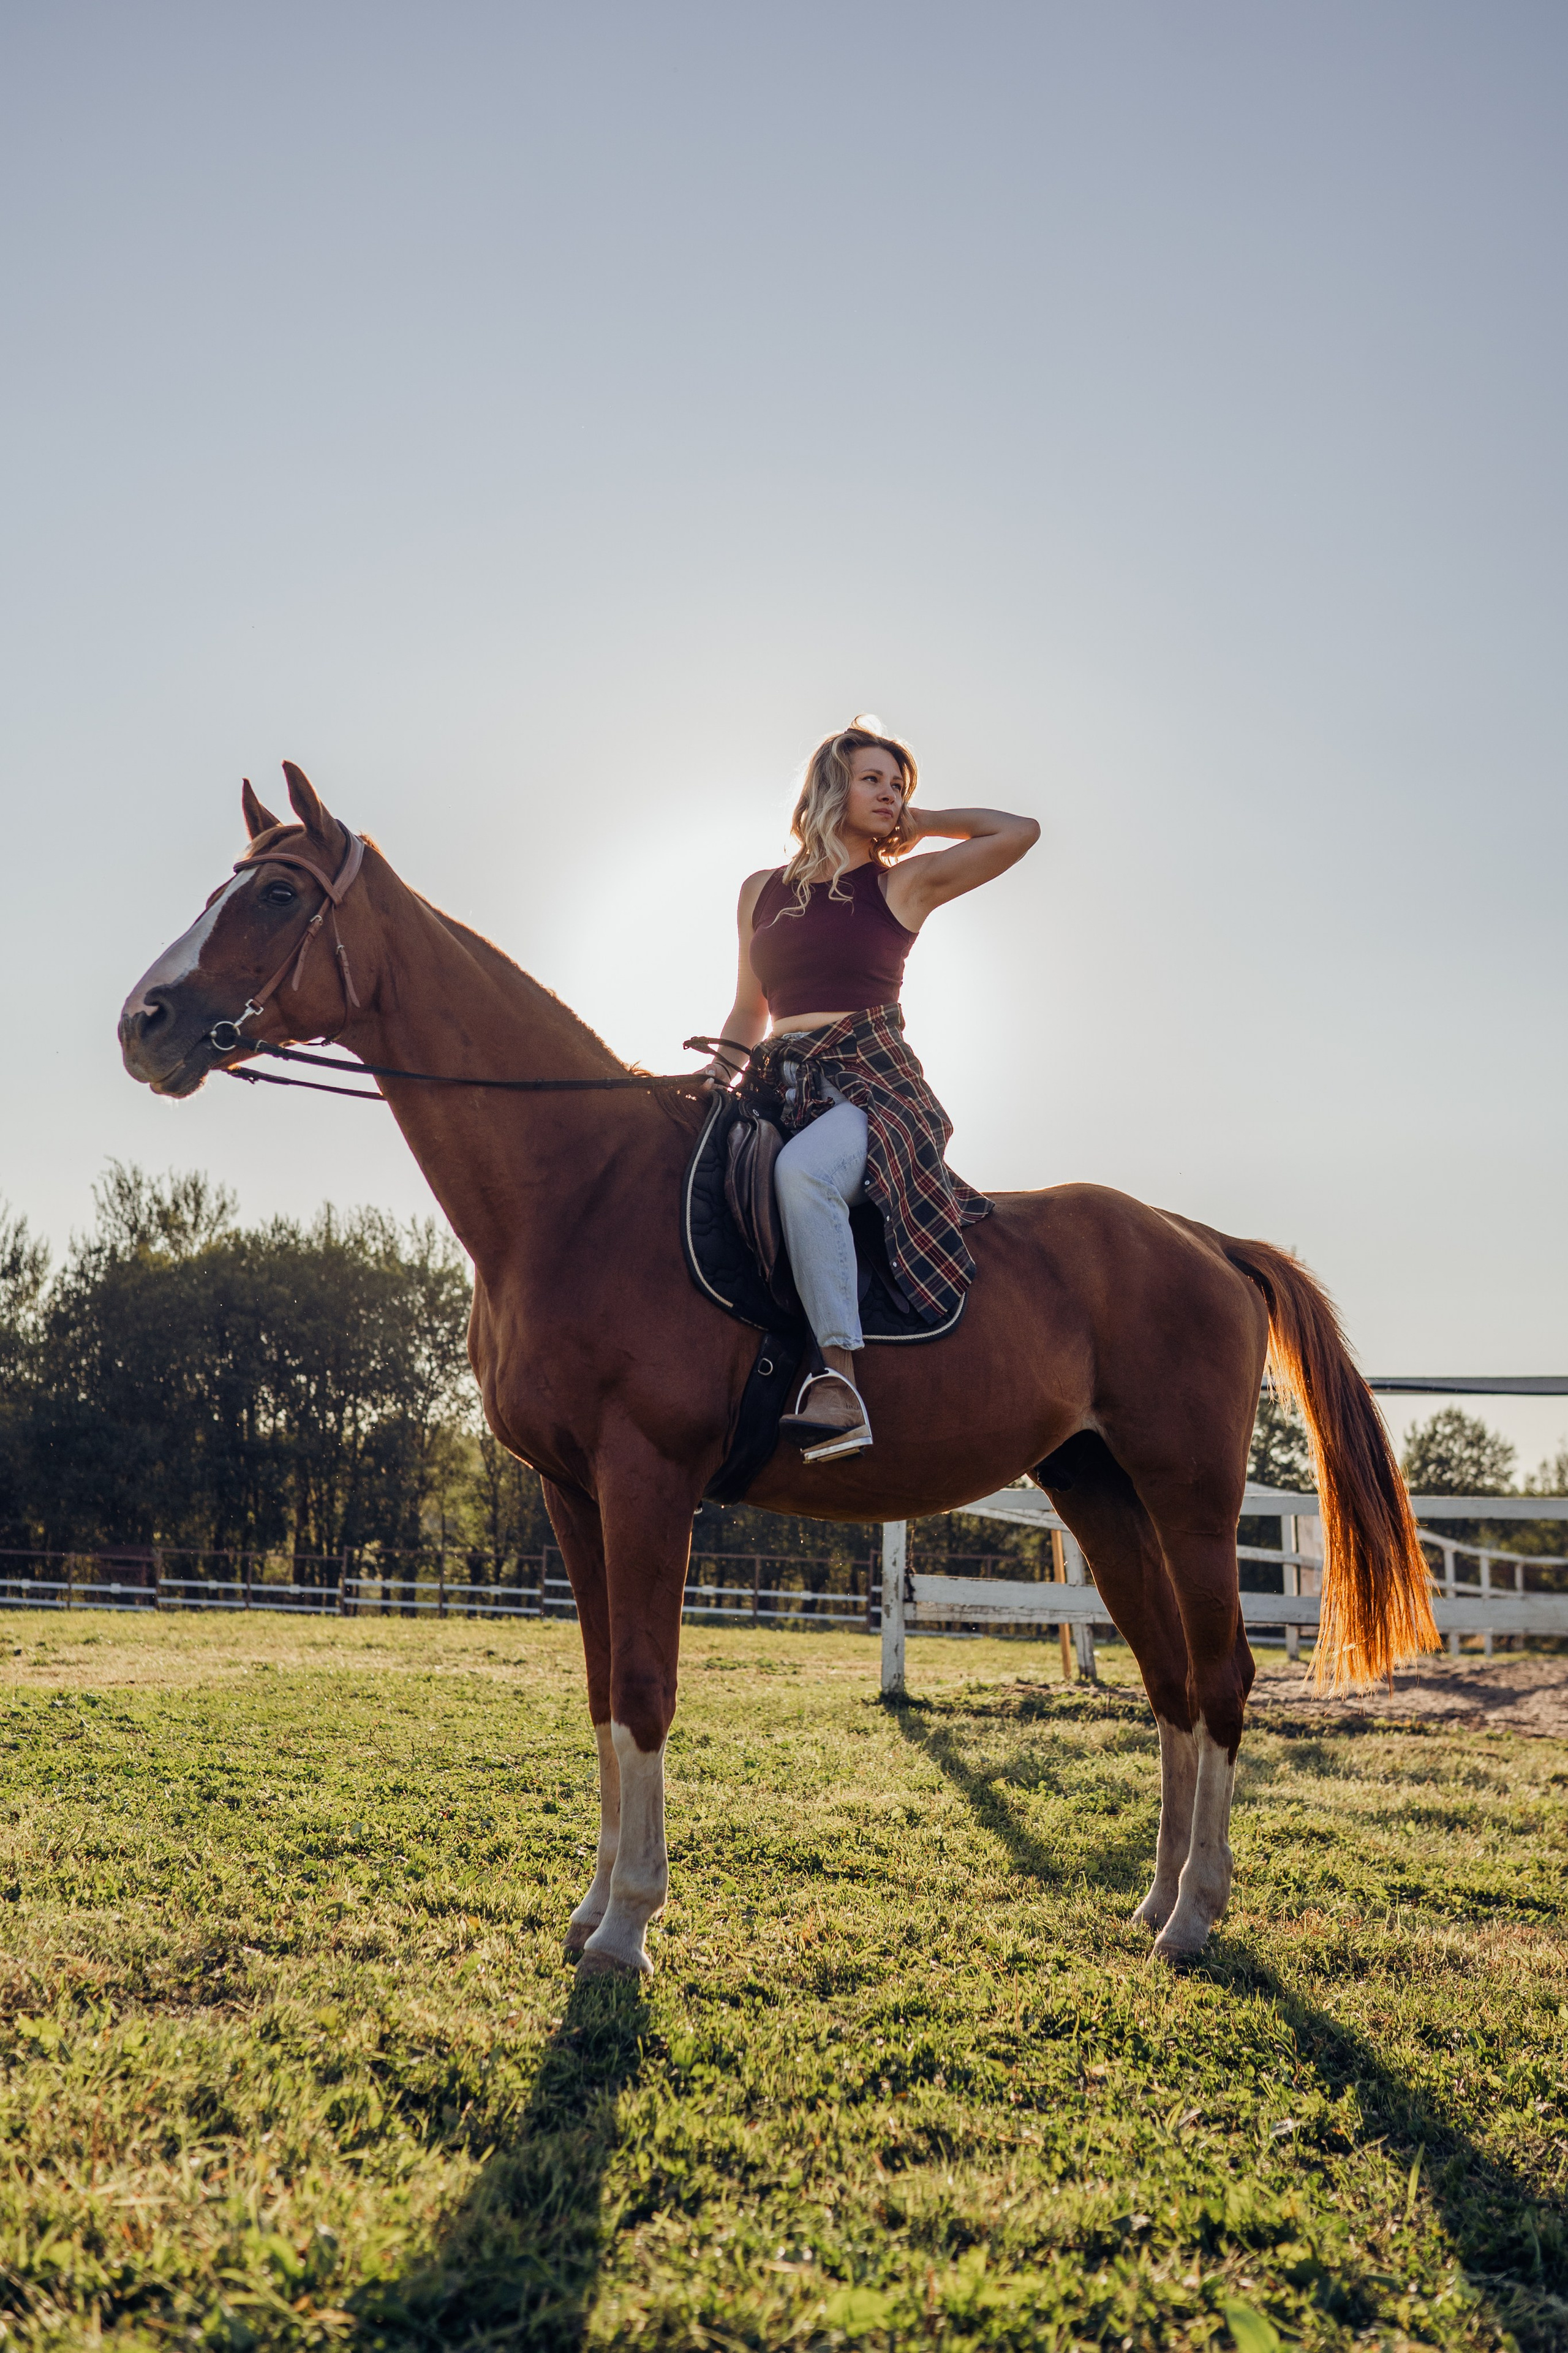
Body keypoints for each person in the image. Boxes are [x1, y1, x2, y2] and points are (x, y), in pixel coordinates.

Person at [705, 716, 1039, 1462]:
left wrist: (924, 821)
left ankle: (839, 1385)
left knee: (804, 1174)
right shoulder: (759, 890)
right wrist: (713, 1076)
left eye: (897, 785)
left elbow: (1020, 831)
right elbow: (748, 1011)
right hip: (775, 1083)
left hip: (871, 1091)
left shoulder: (902, 883)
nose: (889, 794)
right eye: (872, 780)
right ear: (831, 788)